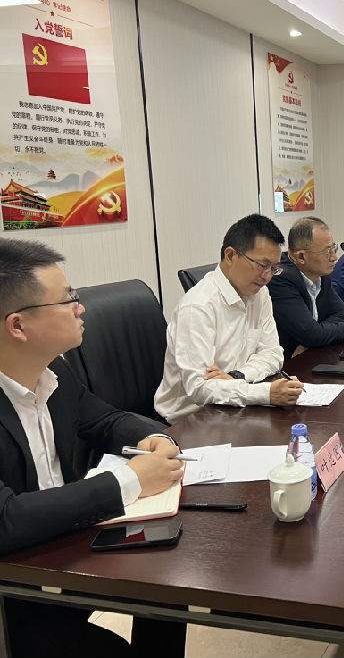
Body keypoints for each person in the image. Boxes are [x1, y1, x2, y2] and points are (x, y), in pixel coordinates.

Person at [0, 238, 185, 655]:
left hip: (62, 549)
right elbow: (5, 519)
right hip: (15, 592)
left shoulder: (51, 370)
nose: (80, 308)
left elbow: (104, 419)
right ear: (18, 326)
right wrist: (128, 481)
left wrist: (154, 438)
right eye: (68, 299)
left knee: (169, 582)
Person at [155, 214, 303, 422]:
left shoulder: (259, 294)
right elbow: (199, 388)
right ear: (231, 255)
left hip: (236, 409)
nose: (267, 276)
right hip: (189, 420)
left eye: (273, 269)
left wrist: (237, 376)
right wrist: (265, 393)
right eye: (262, 265)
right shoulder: (198, 307)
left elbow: (273, 353)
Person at [268, 217, 344, 358]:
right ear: (301, 257)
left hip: (312, 354)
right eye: (327, 252)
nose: (334, 257)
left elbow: (343, 314)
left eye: (333, 248)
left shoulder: (320, 272)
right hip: (289, 363)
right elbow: (310, 333)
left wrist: (315, 336)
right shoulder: (280, 279)